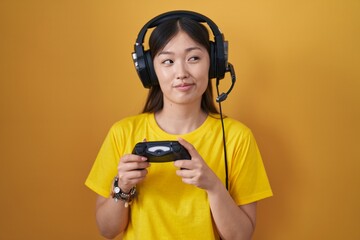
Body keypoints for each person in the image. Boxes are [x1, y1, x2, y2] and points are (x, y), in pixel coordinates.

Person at [85, 10, 272, 240]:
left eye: (194, 58)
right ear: (150, 70)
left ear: (214, 63)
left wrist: (213, 186)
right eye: (168, 61)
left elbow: (240, 236)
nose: (181, 73)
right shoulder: (122, 133)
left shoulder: (237, 137)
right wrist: (121, 187)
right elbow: (107, 230)